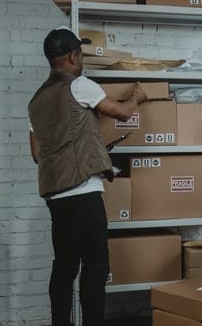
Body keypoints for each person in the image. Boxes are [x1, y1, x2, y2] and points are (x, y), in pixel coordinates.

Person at [28, 26, 147, 326]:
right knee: (95, 267)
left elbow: (37, 155)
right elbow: (120, 113)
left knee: (65, 266)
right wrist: (137, 99)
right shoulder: (79, 86)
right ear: (72, 56)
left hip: (55, 197)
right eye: (79, 54)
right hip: (84, 193)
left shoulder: (35, 101)